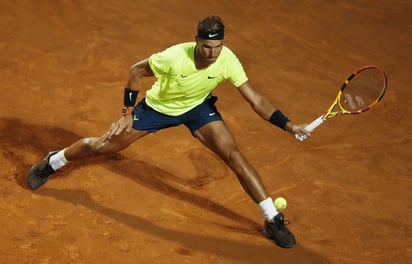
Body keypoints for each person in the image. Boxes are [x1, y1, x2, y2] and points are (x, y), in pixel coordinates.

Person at [27, 16, 310, 248]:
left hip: (198, 108)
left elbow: (256, 100)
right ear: (197, 41)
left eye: (218, 47)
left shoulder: (227, 59)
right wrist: (126, 114)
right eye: (208, 47)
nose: (213, 54)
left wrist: (288, 125)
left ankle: (272, 219)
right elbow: (136, 71)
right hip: (157, 108)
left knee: (234, 156)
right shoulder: (174, 57)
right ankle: (53, 162)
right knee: (104, 146)